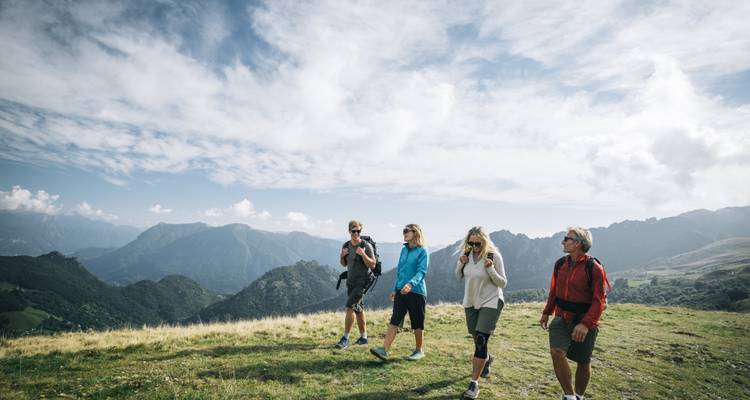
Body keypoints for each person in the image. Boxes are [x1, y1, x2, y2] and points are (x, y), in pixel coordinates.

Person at [540, 226, 608, 400]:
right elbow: (554, 291)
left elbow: (598, 300)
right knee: (557, 353)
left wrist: (585, 324)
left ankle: (579, 396)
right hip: (561, 318)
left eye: (567, 238)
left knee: (583, 362)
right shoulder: (560, 264)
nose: (563, 241)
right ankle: (569, 396)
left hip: (584, 321)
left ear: (578, 243)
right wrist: (547, 312)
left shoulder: (594, 268)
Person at [455, 226, 507, 399]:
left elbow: (502, 283)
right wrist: (461, 263)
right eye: (471, 242)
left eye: (478, 242)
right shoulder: (466, 255)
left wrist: (490, 269)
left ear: (485, 240)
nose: (474, 246)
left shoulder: (493, 256)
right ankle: (487, 357)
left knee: (480, 340)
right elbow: (458, 276)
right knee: (475, 336)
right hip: (471, 302)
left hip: (490, 301)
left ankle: (473, 385)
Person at [370, 223, 429, 361]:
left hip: (417, 292)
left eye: (407, 231)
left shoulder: (423, 251)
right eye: (404, 231)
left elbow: (422, 272)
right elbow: (400, 271)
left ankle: (419, 350)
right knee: (395, 319)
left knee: (417, 322)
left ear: (415, 233)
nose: (404, 233)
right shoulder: (404, 249)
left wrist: (411, 284)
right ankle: (384, 350)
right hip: (401, 291)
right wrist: (395, 289)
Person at [335, 220, 376, 349]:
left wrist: (363, 254)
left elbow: (373, 264)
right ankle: (364, 337)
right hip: (351, 282)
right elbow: (343, 264)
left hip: (362, 282)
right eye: (354, 231)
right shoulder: (346, 245)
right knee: (359, 309)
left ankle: (345, 338)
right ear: (349, 231)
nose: (356, 233)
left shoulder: (366, 246)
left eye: (358, 231)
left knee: (349, 307)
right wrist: (342, 256)